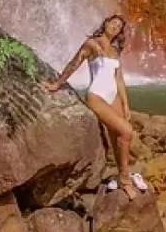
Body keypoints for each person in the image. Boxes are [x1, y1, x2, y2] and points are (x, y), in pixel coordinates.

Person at [44, 14, 144, 199]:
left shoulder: (115, 51)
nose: (115, 27)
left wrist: (126, 104)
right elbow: (74, 64)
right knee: (127, 131)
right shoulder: (92, 44)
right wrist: (57, 84)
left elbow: (119, 79)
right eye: (113, 23)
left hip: (113, 96)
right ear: (105, 23)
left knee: (118, 138)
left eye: (119, 26)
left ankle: (122, 173)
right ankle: (125, 180)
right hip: (96, 95)